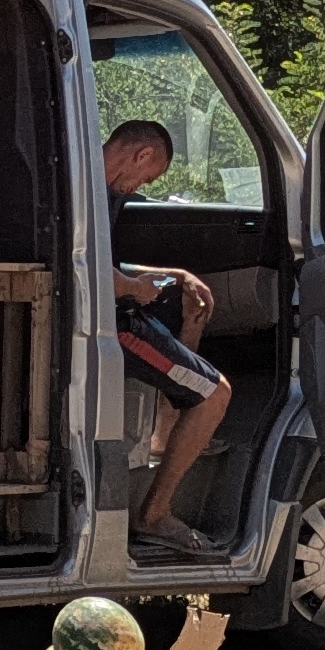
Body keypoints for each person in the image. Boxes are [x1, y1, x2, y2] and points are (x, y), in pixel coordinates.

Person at [102, 117, 233, 562]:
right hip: (110, 324)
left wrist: (175, 276)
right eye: (148, 176)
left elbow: (105, 262)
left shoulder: (98, 186)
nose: (141, 186)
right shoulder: (93, 191)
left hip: (114, 308)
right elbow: (86, 269)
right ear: (140, 155)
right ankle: (155, 513)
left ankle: (167, 428)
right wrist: (133, 289)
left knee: (185, 299)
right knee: (217, 395)